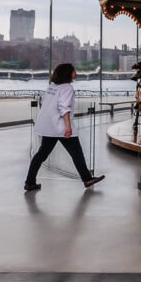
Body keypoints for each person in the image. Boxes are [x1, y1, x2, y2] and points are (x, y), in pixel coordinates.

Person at [24, 63, 104, 192]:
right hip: (60, 127)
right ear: (68, 73)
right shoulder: (67, 88)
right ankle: (87, 179)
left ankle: (29, 182)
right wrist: (68, 127)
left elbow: (46, 104)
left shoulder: (52, 86)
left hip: (49, 126)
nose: (76, 72)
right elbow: (64, 108)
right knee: (76, 154)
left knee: (41, 155)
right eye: (74, 70)